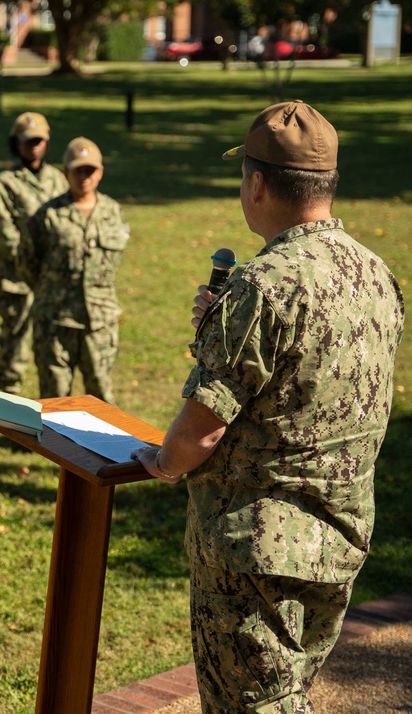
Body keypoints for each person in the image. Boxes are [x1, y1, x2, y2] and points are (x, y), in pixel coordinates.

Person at [131, 101, 404, 712]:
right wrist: (221, 330)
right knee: (287, 699)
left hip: (254, 552)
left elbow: (201, 431)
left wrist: (164, 463)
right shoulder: (376, 273)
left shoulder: (263, 283)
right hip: (337, 539)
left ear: (257, 184)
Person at [19, 137, 129, 404]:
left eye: (90, 170)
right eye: (77, 170)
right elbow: (26, 263)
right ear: (65, 172)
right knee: (54, 400)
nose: (84, 177)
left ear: (100, 173)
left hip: (99, 321)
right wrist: (52, 294)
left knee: (101, 397)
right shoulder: (47, 215)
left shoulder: (114, 213)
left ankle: (102, 447)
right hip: (55, 321)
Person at [0, 112, 68, 395]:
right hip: (16, 279)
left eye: (39, 141)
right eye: (27, 141)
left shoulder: (59, 180)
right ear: (16, 143)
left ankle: (51, 406)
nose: (33, 147)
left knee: (51, 345)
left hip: (51, 281)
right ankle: (7, 406)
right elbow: (5, 232)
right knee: (15, 343)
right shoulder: (7, 182)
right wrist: (32, 266)